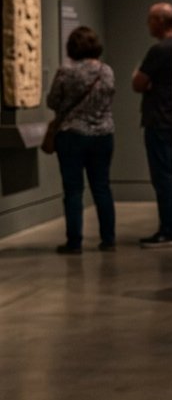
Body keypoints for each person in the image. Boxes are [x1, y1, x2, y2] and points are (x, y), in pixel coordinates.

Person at [46, 26, 116, 253]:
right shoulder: (106, 71)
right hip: (103, 134)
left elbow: (52, 102)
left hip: (72, 134)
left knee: (73, 190)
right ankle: (108, 239)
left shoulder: (66, 71)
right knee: (102, 187)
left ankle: (74, 242)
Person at [132, 2, 172, 247]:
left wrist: (143, 79)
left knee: (163, 178)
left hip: (159, 120)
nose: (147, 24)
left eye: (150, 19)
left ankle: (169, 229)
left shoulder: (159, 50)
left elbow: (138, 83)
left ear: (160, 21)